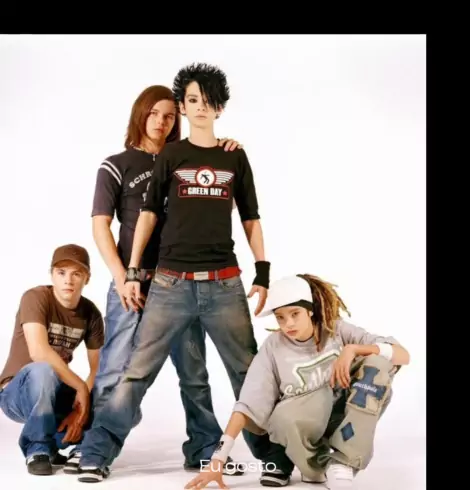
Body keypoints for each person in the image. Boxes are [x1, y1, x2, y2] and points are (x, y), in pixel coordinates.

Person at [75, 63, 293, 486]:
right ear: (183, 106)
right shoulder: (171, 157)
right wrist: (132, 270)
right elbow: (148, 214)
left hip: (224, 285)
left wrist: (263, 272)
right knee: (137, 372)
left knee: (248, 373)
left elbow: (250, 216)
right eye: (192, 100)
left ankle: (271, 457)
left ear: (220, 108)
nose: (200, 108)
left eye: (208, 101)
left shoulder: (234, 156)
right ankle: (97, 451)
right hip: (170, 285)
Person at [62, 85, 245, 476]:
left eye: (168, 115)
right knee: (116, 370)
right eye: (153, 113)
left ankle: (204, 446)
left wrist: (225, 148)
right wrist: (122, 275)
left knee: (194, 372)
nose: (161, 122)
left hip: (178, 282)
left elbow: (220, 197)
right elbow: (100, 226)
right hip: (131, 282)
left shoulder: (186, 158)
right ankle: (92, 447)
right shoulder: (116, 164)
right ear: (139, 115)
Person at [185, 273, 411, 489]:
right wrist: (218, 458)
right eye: (280, 317)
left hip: (344, 413)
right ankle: (316, 465)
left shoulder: (336, 330)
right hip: (305, 422)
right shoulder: (274, 346)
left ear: (310, 310)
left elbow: (402, 355)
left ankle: (345, 460)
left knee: (377, 365)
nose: (288, 324)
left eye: (295, 314)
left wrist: (353, 349)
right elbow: (247, 404)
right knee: (282, 418)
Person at [0, 244, 104, 476]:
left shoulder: (90, 313)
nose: (68, 280)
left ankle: (79, 447)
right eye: (61, 272)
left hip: (53, 392)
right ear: (52, 274)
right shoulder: (36, 297)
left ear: (87, 278)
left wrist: (81, 409)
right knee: (43, 370)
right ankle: (38, 449)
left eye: (76, 274)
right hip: (16, 393)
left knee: (112, 393)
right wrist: (81, 388)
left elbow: (99, 368)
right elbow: (39, 352)